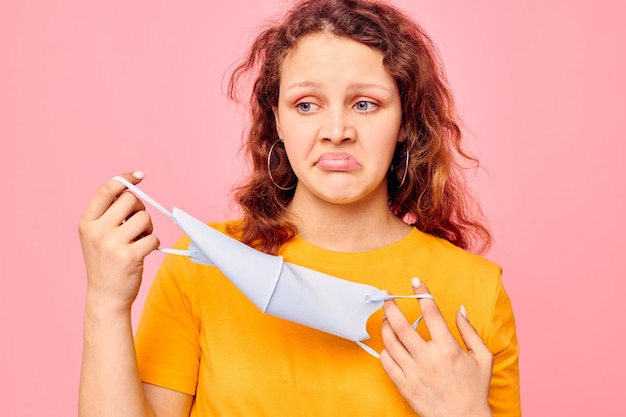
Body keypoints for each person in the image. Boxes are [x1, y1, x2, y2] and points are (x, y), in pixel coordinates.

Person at [78, 0, 520, 416]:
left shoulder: (476, 291)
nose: (337, 130)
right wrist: (105, 301)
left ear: (405, 121)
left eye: (365, 104)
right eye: (306, 105)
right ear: (277, 121)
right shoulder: (204, 266)